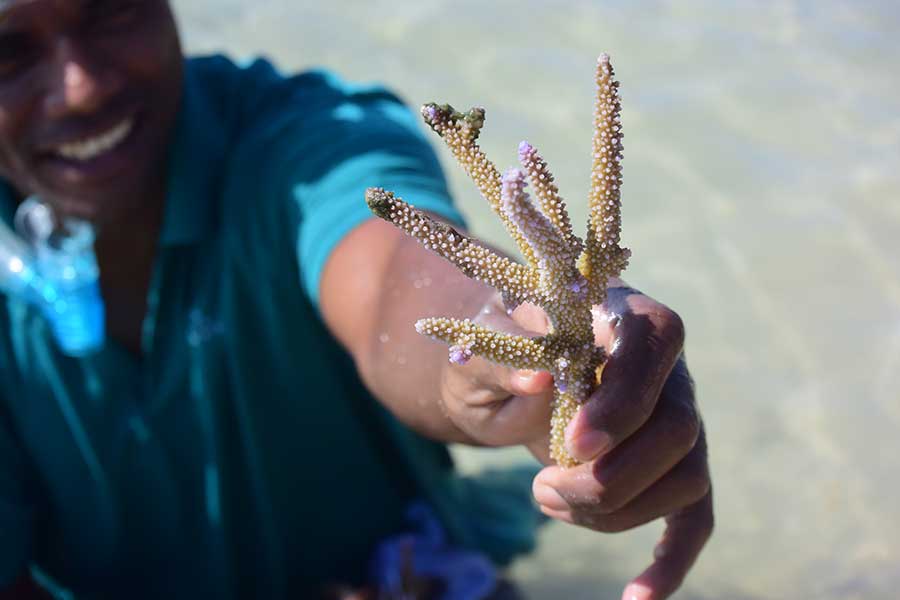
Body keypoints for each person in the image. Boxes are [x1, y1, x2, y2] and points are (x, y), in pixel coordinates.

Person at [0, 1, 713, 599]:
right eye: (9, 50)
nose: (82, 86)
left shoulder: (307, 141)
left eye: (112, 9)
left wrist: (525, 342)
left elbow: (395, 279)